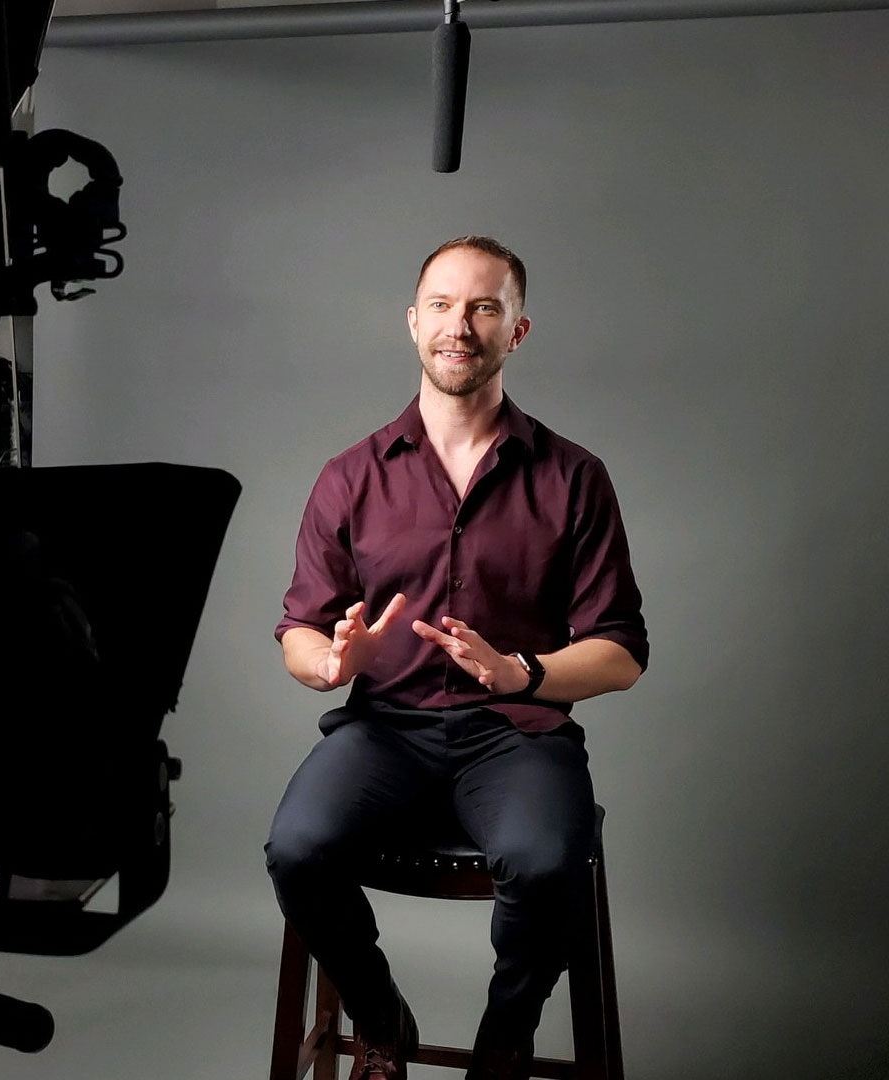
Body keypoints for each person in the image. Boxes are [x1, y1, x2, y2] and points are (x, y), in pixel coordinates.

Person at [265, 236, 648, 1080]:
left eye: (484, 307)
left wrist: (526, 674)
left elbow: (621, 653)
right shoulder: (350, 476)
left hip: (516, 736)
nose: (459, 326)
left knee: (549, 860)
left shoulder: (574, 478)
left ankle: (504, 1040)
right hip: (386, 730)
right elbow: (300, 627)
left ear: (517, 332)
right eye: (442, 305)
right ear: (412, 323)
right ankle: (380, 1018)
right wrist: (329, 665)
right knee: (296, 847)